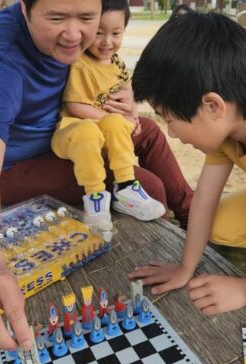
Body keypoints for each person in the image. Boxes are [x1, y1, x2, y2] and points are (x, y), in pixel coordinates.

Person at [0, 0, 191, 350]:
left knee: (148, 130)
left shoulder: (96, 43)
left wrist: (126, 104)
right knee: (151, 187)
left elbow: (113, 80)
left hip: (75, 133)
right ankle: (167, 219)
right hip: (17, 165)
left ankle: (195, 219)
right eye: (56, 18)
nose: (73, 34)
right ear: (24, 8)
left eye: (86, 19)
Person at [129, 10, 246, 315]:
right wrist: (184, 267)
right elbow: (204, 199)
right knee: (216, 224)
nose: (171, 132)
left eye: (170, 118)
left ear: (212, 106)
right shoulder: (226, 129)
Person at [52, 0, 165, 231]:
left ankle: (126, 187)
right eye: (99, 33)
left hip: (103, 134)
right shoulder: (82, 64)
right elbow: (74, 105)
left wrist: (132, 113)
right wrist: (112, 119)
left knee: (115, 122)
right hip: (74, 133)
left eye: (115, 33)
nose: (107, 41)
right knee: (91, 129)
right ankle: (95, 200)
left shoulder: (116, 62)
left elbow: (127, 89)